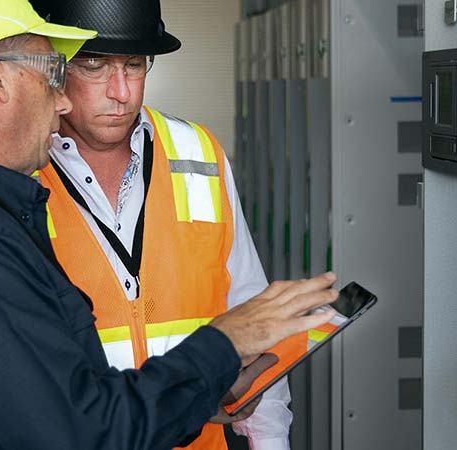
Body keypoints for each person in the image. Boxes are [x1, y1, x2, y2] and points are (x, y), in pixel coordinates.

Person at [0, 1, 338, 449]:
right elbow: (83, 430)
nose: (63, 101)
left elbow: (52, 408)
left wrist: (195, 399)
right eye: (58, 71)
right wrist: (226, 342)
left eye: (135, 65)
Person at [29, 1, 294, 448]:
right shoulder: (21, 171)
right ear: (53, 66)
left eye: (134, 65)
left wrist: (271, 442)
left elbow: (250, 313)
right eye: (94, 65)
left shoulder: (199, 153)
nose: (122, 92)